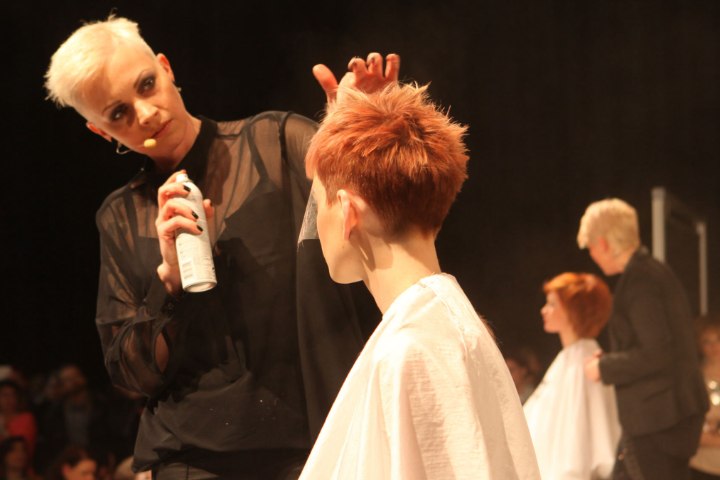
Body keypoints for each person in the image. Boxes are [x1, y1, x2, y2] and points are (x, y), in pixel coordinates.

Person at [45, 15, 397, 478]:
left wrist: (366, 131)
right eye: (118, 114)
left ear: (166, 68)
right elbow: (131, 374)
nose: (145, 114)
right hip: (189, 456)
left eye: (146, 85)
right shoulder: (120, 217)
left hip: (309, 443)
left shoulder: (275, 142)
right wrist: (168, 282)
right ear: (101, 131)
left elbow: (382, 215)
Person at [298, 82, 540, 479]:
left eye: (317, 203)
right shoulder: (438, 328)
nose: (315, 224)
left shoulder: (414, 349)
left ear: (347, 211)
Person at [578, 198, 708, 479]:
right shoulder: (653, 272)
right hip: (667, 414)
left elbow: (658, 353)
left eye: (590, 248)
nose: (592, 255)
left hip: (659, 419)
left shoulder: (641, 281)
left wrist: (604, 367)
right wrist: (612, 360)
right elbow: (657, 346)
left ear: (603, 244)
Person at [523, 272, 621, 479]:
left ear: (573, 310)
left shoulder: (584, 361)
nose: (544, 310)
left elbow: (578, 432)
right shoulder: (569, 358)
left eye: (552, 304)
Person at [690, 314, 720, 480]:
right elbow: (692, 432)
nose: (714, 346)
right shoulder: (693, 380)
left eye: (718, 339)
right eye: (707, 342)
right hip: (702, 465)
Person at [0, 380, 37, 462]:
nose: (8, 399)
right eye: (4, 395)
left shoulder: (26, 419)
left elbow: (23, 448)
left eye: (12, 395)